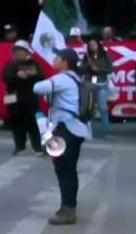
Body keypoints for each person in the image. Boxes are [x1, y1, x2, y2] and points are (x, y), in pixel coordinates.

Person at [33, 48, 90, 225]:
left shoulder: (63, 78)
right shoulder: (75, 77)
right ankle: (67, 207)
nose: (54, 59)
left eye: (57, 57)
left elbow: (37, 88)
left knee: (64, 170)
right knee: (68, 170)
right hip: (76, 128)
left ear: (65, 61)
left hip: (66, 128)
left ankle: (67, 210)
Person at [1, 40, 44, 155]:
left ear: (26, 52)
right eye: (15, 51)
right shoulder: (10, 64)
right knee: (16, 123)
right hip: (12, 97)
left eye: (20, 51)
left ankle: (38, 147)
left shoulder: (33, 64)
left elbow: (41, 77)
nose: (17, 53)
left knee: (33, 124)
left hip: (30, 97)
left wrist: (31, 74)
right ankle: (19, 146)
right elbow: (4, 77)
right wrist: (17, 76)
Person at [80, 38, 113, 136]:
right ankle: (86, 131)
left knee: (103, 108)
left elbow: (110, 69)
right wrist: (88, 67)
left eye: (94, 44)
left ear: (98, 44)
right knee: (87, 108)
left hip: (102, 84)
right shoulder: (86, 57)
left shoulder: (105, 55)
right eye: (90, 44)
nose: (92, 46)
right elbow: (82, 69)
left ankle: (106, 131)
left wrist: (98, 69)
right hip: (89, 84)